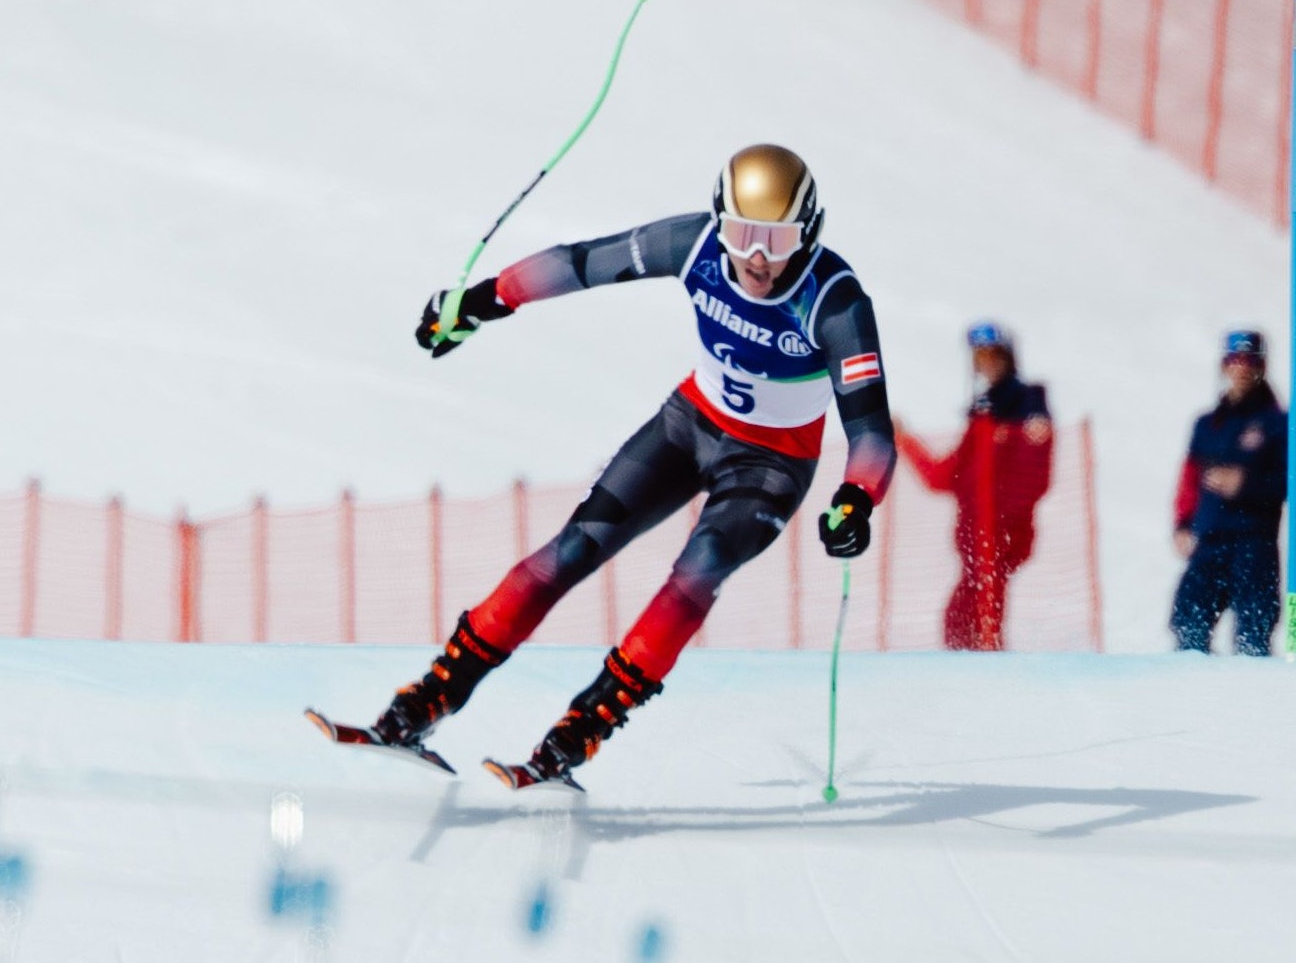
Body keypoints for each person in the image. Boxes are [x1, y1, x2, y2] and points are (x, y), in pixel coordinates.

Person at [374, 143, 896, 783]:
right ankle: (429, 699)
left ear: (809, 232)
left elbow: (870, 432)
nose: (757, 257)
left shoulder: (836, 303)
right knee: (572, 548)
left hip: (770, 464)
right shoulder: (697, 245)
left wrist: (857, 499)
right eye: (742, 233)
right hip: (688, 425)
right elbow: (582, 263)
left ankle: (583, 728)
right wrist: (483, 301)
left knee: (696, 572)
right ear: (719, 221)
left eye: (777, 239)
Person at [896, 322, 1053, 651]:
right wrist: (904, 439)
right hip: (976, 543)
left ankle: (989, 680)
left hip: (998, 539)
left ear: (1008, 357)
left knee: (980, 618)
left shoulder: (1026, 406)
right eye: (979, 356)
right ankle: (977, 677)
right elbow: (943, 477)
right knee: (962, 618)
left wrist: (1001, 525)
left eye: (993, 354)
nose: (985, 363)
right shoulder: (981, 418)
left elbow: (1035, 477)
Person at [1169, 330, 1296, 657]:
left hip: (1255, 545)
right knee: (1188, 624)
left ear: (1261, 367)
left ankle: (1251, 703)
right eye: (1234, 361)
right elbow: (1189, 479)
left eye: (1249, 361)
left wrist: (1245, 482)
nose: (1241, 368)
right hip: (1209, 542)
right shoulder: (1208, 423)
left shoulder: (1278, 423)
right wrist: (1183, 524)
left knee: (1254, 636)